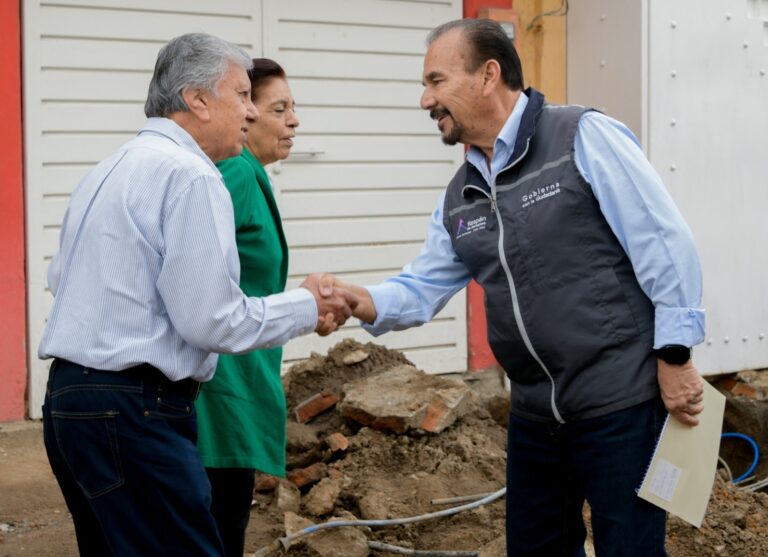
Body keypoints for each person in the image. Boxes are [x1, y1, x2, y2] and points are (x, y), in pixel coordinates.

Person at [329, 19, 706, 556]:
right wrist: (357, 301)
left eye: (436, 81)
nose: (424, 100)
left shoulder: (581, 135)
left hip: (619, 401)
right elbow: (422, 286)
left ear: (488, 74)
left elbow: (664, 243)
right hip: (534, 413)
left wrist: (675, 352)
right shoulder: (460, 195)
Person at [38, 33, 356, 557]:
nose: (250, 112)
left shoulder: (109, 169)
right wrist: (306, 304)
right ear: (197, 99)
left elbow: (63, 280)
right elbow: (212, 321)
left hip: (71, 405)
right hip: (135, 410)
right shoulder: (191, 175)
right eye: (242, 95)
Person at [194, 58, 300, 556]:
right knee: (218, 528)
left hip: (236, 384)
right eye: (280, 108)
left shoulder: (251, 174)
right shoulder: (234, 172)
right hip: (221, 394)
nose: (294, 120)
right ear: (245, 113)